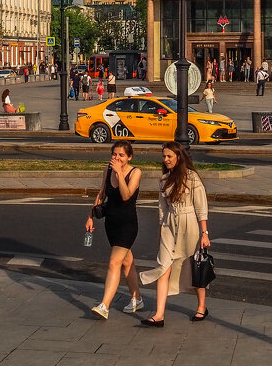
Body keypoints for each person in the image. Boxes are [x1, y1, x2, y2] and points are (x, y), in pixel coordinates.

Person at [138, 141, 211, 327]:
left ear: (179, 157)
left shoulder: (191, 177)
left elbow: (201, 207)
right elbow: (162, 208)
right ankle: (159, 314)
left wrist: (204, 233)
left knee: (193, 265)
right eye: (164, 156)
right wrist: (161, 229)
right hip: (169, 225)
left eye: (169, 156)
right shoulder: (164, 180)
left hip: (190, 225)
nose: (166, 159)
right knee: (163, 266)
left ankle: (202, 306)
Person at [85, 140, 145, 319]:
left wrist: (119, 173)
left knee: (114, 263)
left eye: (121, 155)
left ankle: (104, 305)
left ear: (129, 157)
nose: (117, 158)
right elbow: (102, 193)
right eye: (114, 154)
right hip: (111, 223)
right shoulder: (108, 170)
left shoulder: (135, 172)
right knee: (127, 263)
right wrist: (90, 216)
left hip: (127, 225)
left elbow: (126, 196)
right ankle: (137, 298)